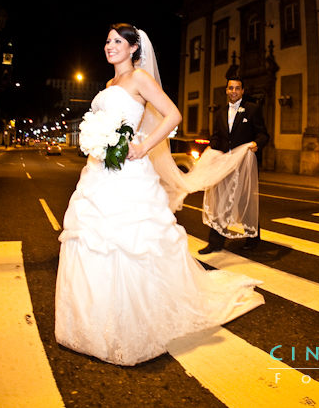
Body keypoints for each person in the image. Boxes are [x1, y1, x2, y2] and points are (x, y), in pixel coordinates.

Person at [54, 24, 264, 366]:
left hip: (128, 175)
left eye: (117, 41)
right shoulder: (109, 85)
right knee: (91, 240)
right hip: (98, 173)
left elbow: (173, 115)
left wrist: (143, 146)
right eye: (107, 41)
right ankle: (92, 321)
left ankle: (131, 323)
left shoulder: (139, 79)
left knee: (130, 242)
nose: (109, 46)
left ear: (134, 48)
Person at [199, 75, 269, 253]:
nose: (234, 91)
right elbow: (216, 137)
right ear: (226, 90)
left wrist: (256, 144)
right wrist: (210, 151)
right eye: (231, 88)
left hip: (244, 164)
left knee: (245, 202)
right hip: (224, 164)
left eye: (237, 88)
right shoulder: (220, 113)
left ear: (243, 91)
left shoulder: (252, 110)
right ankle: (215, 243)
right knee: (220, 202)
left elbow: (263, 135)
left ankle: (252, 239)